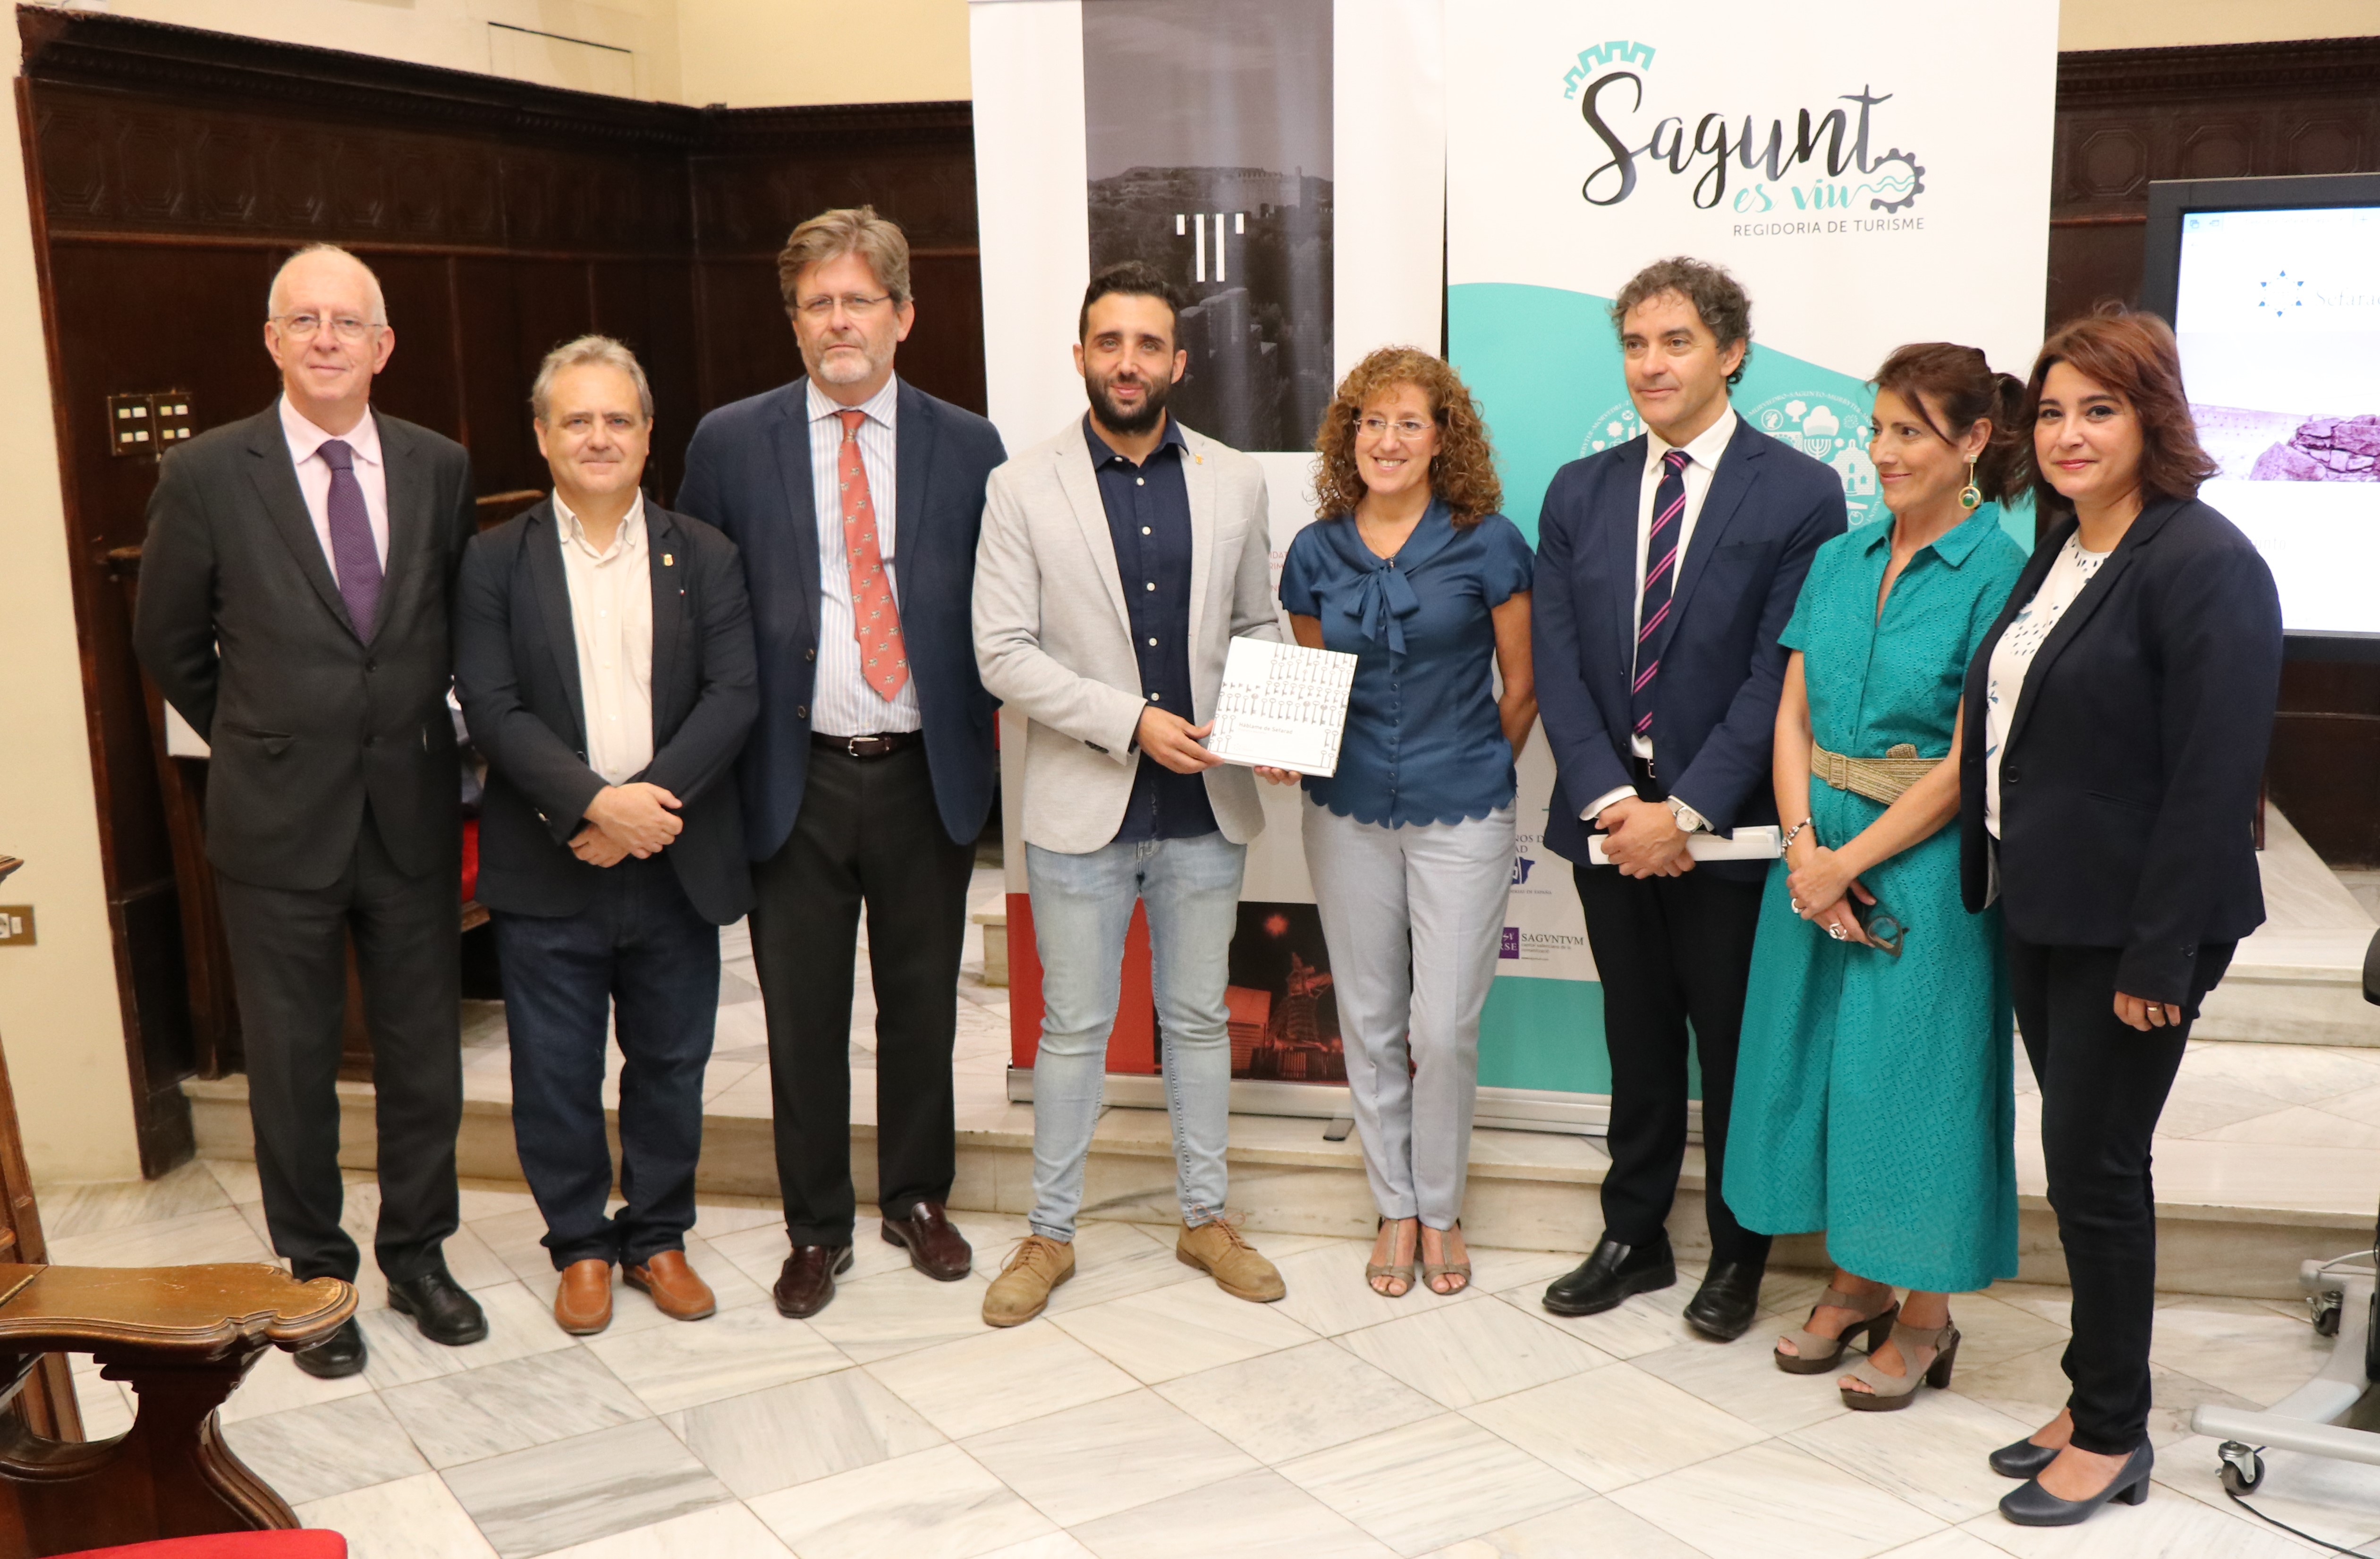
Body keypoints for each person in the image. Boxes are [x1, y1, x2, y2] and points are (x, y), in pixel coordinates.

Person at [133, 245, 483, 1376]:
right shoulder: (206, 472)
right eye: (304, 319)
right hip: (276, 818)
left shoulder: (439, 466)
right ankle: (315, 1281)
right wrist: (265, 733)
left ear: (385, 346)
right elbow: (169, 639)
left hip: (412, 806)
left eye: (348, 322)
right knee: (291, 1064)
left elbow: (451, 621)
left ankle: (420, 1255)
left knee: (424, 1057)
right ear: (272, 341)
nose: (327, 338)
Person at [1960, 308, 2281, 1526]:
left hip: (2135, 927)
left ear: (2153, 416)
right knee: (2085, 1162)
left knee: (2096, 1170)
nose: (2068, 434)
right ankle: (2092, 1391)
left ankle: (2110, 1433)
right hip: (2047, 904)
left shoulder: (2204, 561)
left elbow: (2212, 779)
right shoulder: (2065, 545)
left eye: (2098, 409)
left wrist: (2161, 954)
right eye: (2051, 411)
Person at [675, 207, 1007, 1319]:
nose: (838, 321)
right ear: (794, 323)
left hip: (924, 769)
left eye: (858, 299)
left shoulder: (971, 446)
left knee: (920, 1007)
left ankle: (916, 1197)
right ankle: (815, 1226)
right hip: (792, 773)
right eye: (816, 304)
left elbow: (1002, 607)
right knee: (802, 1018)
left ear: (903, 315)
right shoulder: (731, 441)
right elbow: (699, 613)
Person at [1532, 256, 1847, 1340]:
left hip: (1733, 828)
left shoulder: (1800, 491)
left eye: (1675, 342)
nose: (1651, 364)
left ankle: (1737, 1250)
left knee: (1733, 1047)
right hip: (1608, 822)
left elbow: (1779, 673)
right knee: (1635, 1040)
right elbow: (1558, 661)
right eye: (1634, 344)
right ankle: (1634, 1235)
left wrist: (1687, 811)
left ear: (1731, 352)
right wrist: (1614, 800)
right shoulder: (1578, 490)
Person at [971, 261, 1289, 1325]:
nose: (1127, 361)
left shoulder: (1235, 481)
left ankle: (1206, 1218)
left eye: (1148, 343)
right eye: (1108, 342)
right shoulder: (1021, 486)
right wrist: (1130, 720)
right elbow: (1001, 654)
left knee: (1198, 1020)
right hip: (1081, 806)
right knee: (1073, 1029)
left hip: (1205, 809)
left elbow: (1253, 623)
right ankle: (1048, 1235)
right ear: (1080, 356)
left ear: (1178, 361)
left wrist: (1269, 721)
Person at [1725, 344, 2030, 1407]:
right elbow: (1792, 714)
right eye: (1878, 430)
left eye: (1910, 432)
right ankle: (1855, 1280)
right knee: (1817, 1072)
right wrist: (1803, 850)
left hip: (1926, 868)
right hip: (1814, 850)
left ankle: (1927, 1313)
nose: (1884, 452)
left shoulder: (2001, 572)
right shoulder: (1840, 558)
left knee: (1916, 1087)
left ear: (1974, 441)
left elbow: (1967, 758)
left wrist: (1848, 863)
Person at [455, 337, 756, 1336]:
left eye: (617, 419)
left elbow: (733, 696)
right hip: (551, 862)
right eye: (576, 420)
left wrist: (641, 813)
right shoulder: (494, 560)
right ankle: (580, 1244)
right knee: (554, 1072)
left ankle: (658, 1236)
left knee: (670, 1063)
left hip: (674, 858)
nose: (598, 437)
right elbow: (492, 706)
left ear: (648, 435)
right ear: (543, 436)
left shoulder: (704, 553)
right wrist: (592, 806)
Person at [1265, 348, 1534, 1298]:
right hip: (1344, 814)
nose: (1387, 440)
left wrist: (1473, 764)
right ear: (1348, 437)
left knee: (1444, 1023)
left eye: (1408, 422)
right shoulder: (1312, 552)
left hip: (1462, 809)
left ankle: (1442, 1207)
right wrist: (1286, 745)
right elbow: (1313, 692)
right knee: (1368, 1017)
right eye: (1370, 422)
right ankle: (1395, 1208)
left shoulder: (1489, 542)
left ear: (1442, 438)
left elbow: (1522, 687)